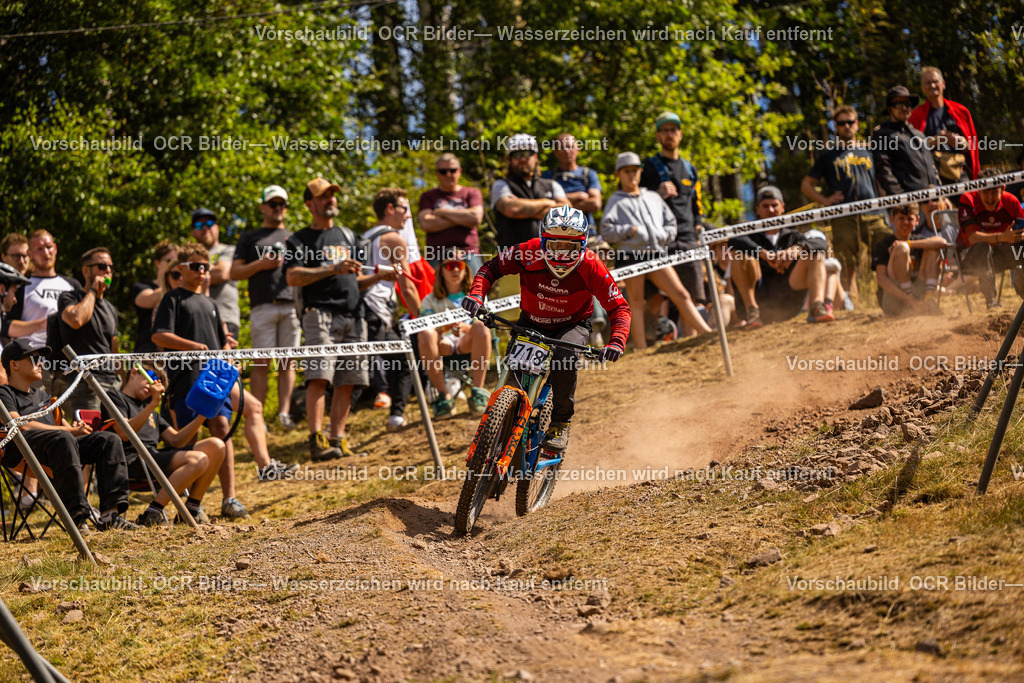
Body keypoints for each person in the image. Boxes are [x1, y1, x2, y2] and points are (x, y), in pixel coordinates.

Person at [461, 205, 629, 452]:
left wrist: (616, 341)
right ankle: (501, 425)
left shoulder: (592, 265)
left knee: (566, 359)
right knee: (512, 378)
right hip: (530, 321)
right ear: (543, 240)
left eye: (569, 246)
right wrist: (477, 295)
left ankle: (560, 422)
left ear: (582, 245)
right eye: (555, 245)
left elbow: (619, 308)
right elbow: (491, 268)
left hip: (572, 324)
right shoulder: (528, 251)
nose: (561, 254)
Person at [152, 243, 294, 520]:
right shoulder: (173, 299)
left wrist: (228, 353)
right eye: (195, 266)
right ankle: (190, 504)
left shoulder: (212, 304)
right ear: (181, 269)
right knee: (187, 440)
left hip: (214, 379)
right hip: (184, 381)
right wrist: (194, 346)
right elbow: (159, 336)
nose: (202, 271)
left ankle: (230, 497)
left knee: (222, 428)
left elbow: (221, 344)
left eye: (206, 266)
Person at [283, 178, 396, 460]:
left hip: (354, 315)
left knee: (349, 380)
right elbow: (292, 276)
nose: (331, 200)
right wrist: (331, 268)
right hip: (319, 314)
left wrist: (379, 276)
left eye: (333, 195)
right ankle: (316, 439)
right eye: (323, 196)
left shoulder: (349, 236)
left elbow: (355, 282)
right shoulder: (299, 240)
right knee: (319, 377)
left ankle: (338, 439)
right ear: (310, 204)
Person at [0, 338, 138, 531]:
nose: (40, 362)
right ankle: (77, 516)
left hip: (60, 448)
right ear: (13, 364)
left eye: (41, 358)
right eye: (33, 358)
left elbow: (64, 427)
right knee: (64, 439)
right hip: (22, 451)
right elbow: (19, 425)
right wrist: (69, 431)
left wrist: (77, 428)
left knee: (108, 440)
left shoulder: (45, 397)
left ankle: (110, 515)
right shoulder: (4, 393)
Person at [600, 151, 712, 349]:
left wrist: (664, 236)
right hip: (630, 257)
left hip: (657, 255)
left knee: (681, 294)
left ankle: (708, 334)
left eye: (635, 170)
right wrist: (631, 231)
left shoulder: (652, 196)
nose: (632, 175)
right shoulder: (615, 200)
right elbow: (607, 232)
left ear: (640, 172)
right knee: (635, 302)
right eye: (627, 171)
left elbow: (670, 222)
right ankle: (642, 348)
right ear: (618, 174)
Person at [102, 362, 225, 526]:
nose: (153, 386)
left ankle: (191, 509)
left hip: (153, 459)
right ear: (134, 372)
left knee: (217, 446)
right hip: (130, 460)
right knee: (198, 459)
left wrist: (203, 414)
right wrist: (153, 403)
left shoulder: (150, 411)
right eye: (151, 379)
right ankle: (153, 512)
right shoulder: (115, 398)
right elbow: (124, 433)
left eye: (158, 384)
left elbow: (177, 440)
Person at [230, 185, 300, 430]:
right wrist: (261, 264)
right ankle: (258, 416)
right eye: (273, 204)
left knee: (287, 362)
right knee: (261, 362)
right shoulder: (250, 237)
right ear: (263, 207)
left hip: (291, 305)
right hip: (262, 307)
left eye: (282, 204)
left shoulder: (296, 237)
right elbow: (234, 272)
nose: (278, 208)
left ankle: (284, 414)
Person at [800, 105, 888, 299]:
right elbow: (806, 185)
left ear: (857, 124)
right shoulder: (828, 155)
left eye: (850, 122)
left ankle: (888, 295)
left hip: (874, 212)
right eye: (842, 123)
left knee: (886, 251)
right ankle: (852, 303)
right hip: (843, 215)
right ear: (835, 127)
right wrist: (825, 200)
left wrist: (886, 204)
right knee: (848, 264)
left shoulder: (870, 151)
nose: (847, 126)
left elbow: (881, 180)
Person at [728, 186, 833, 328]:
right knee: (739, 254)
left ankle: (816, 306)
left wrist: (797, 249)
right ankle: (752, 312)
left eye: (774, 205)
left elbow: (821, 243)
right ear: (757, 209)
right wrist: (764, 254)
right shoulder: (748, 235)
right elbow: (732, 239)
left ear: (782, 207)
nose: (770, 210)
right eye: (765, 206)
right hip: (759, 298)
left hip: (790, 298)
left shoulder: (793, 236)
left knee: (814, 251)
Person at [361, 188, 421, 430]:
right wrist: (423, 318)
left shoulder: (365, 236)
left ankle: (395, 415)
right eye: (404, 209)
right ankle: (395, 414)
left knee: (364, 366)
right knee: (399, 360)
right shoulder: (394, 239)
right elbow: (407, 287)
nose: (407, 216)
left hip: (364, 310)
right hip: (375, 310)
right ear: (390, 209)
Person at [640, 111, 708, 312]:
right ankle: (660, 339)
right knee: (658, 299)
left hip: (688, 239)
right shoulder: (647, 167)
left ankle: (697, 341)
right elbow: (634, 197)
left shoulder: (690, 169)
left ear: (680, 134)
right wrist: (656, 193)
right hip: (659, 240)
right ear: (657, 136)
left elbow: (698, 204)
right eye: (665, 130)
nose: (670, 134)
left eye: (674, 130)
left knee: (694, 297)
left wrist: (698, 226)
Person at [1, 230, 81, 390]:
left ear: (56, 248)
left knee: (75, 415)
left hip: (70, 365)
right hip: (35, 365)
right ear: (30, 253)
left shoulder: (73, 285)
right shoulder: (21, 285)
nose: (46, 252)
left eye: (49, 247)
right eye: (39, 249)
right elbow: (4, 326)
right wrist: (43, 324)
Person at [418, 250, 492, 419]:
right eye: (450, 266)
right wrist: (445, 328)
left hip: (468, 341)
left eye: (459, 265)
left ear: (466, 269)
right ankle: (444, 396)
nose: (455, 270)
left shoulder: (477, 295)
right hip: (442, 343)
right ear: (441, 270)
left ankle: (477, 392)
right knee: (425, 333)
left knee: (481, 326)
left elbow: (487, 321)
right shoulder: (429, 300)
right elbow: (425, 327)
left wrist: (465, 329)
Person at [53, 247, 121, 414]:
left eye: (111, 267)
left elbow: (114, 349)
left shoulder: (110, 308)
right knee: (90, 436)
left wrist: (122, 382)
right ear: (86, 271)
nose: (108, 271)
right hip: (86, 383)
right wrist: (92, 290)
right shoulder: (69, 297)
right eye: (102, 266)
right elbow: (76, 320)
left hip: (112, 384)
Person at [956, 168, 1024, 308]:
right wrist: (1002, 237)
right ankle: (991, 303)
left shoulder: (1011, 201)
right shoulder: (968, 199)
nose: (990, 198)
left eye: (994, 192)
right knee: (982, 246)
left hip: (1000, 255)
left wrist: (1019, 236)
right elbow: (973, 238)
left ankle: (1022, 292)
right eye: (986, 192)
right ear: (978, 190)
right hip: (970, 257)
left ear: (1003, 188)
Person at [491, 134, 567, 248]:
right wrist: (549, 203)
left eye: (527, 153)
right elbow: (512, 209)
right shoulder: (501, 185)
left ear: (535, 157)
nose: (522, 158)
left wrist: (524, 208)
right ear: (509, 159)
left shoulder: (552, 185)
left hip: (549, 258)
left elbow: (566, 214)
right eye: (517, 154)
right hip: (513, 258)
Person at [872, 203, 946, 316]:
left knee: (932, 248)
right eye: (901, 218)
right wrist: (910, 301)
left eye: (909, 219)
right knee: (902, 249)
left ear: (917, 220)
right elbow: (881, 280)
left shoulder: (918, 240)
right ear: (893, 219)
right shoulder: (883, 244)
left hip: (918, 292)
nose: (906, 223)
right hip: (895, 299)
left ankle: (929, 299)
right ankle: (911, 301)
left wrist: (908, 243)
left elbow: (942, 242)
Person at [910, 66, 980, 183]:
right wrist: (936, 140)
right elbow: (912, 149)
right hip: (931, 176)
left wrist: (961, 142)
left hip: (960, 172)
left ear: (943, 84)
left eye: (935, 82)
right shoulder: (915, 116)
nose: (932, 85)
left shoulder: (960, 111)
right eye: (928, 83)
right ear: (922, 88)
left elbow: (972, 146)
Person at [418, 153, 484, 269]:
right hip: (435, 255)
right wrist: (463, 219)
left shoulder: (472, 193)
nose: (448, 175)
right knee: (432, 287)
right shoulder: (427, 196)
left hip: (468, 252)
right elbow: (426, 223)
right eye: (443, 171)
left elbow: (476, 217)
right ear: (437, 174)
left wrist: (443, 212)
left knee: (477, 286)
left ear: (460, 171)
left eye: (452, 170)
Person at [871, 86, 939, 196]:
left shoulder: (919, 134)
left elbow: (932, 168)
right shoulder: (883, 134)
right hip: (909, 204)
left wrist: (941, 195)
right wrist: (901, 199)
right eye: (898, 104)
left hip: (933, 199)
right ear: (889, 109)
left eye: (907, 104)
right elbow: (883, 170)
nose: (904, 108)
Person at [190, 208, 241, 339]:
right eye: (199, 225)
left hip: (225, 317)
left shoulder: (229, 250)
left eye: (209, 224)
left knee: (223, 360)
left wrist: (192, 270)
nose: (205, 228)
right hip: (193, 318)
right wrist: (212, 268)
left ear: (217, 228)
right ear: (193, 232)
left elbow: (221, 273)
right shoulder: (187, 255)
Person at [542, 133, 603, 237]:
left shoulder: (588, 174)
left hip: (587, 235)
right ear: (555, 152)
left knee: (603, 252)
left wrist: (559, 204)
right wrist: (578, 196)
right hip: (556, 235)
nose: (566, 151)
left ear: (578, 149)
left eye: (570, 146)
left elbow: (595, 204)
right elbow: (542, 203)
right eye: (562, 147)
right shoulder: (548, 176)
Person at [131, 240, 178, 353]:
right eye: (170, 261)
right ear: (157, 263)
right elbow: (147, 299)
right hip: (147, 352)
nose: (174, 265)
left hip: (175, 352)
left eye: (178, 262)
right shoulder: (142, 286)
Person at [1, 233, 30, 321]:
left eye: (25, 256)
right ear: (3, 257)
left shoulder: (36, 285)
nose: (21, 261)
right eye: (16, 256)